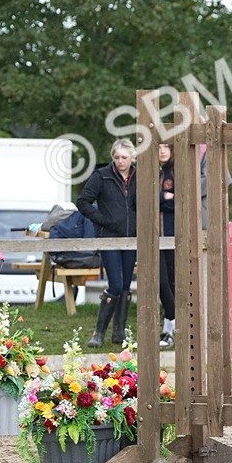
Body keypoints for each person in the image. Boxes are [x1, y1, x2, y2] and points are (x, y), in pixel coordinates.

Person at [78, 138, 137, 347]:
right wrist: (103, 220)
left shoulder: (139, 176)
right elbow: (83, 202)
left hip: (131, 237)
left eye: (124, 157)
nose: (120, 161)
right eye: (116, 157)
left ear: (132, 157)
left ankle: (119, 332)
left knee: (126, 285)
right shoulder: (101, 176)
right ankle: (99, 332)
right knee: (115, 284)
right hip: (109, 236)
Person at [159, 143, 176, 349]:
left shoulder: (176, 172)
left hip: (173, 235)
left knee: (172, 283)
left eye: (166, 147)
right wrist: (163, 196)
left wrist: (163, 199)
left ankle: (168, 331)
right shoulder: (152, 171)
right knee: (161, 283)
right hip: (153, 236)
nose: (162, 151)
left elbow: (178, 201)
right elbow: (144, 200)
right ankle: (174, 324)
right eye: (159, 147)